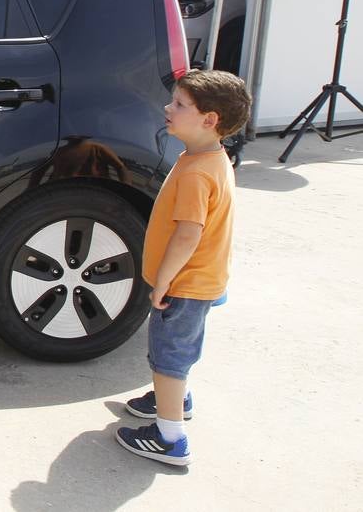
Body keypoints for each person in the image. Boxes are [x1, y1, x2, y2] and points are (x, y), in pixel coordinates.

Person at [116, 69, 251, 467]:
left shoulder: (196, 174)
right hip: (203, 277)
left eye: (179, 105)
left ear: (209, 120)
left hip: (185, 283)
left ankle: (169, 437)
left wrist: (164, 282)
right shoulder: (210, 157)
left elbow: (187, 235)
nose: (168, 108)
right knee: (179, 348)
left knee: (168, 354)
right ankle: (170, 398)